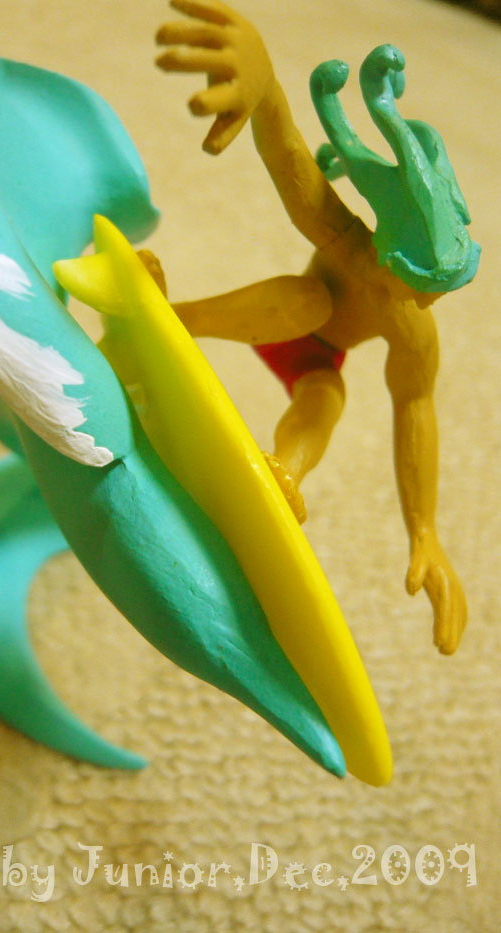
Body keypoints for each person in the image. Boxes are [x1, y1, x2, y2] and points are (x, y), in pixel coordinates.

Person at [150, 0, 477, 655]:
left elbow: (415, 408)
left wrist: (425, 532)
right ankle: (172, 319)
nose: (427, 302)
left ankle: (284, 472)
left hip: (313, 362)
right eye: (423, 285)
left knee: (329, 397)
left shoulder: (413, 329)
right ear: (391, 257)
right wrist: (264, 83)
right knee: (309, 301)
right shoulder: (347, 245)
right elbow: (288, 154)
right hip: (283, 316)